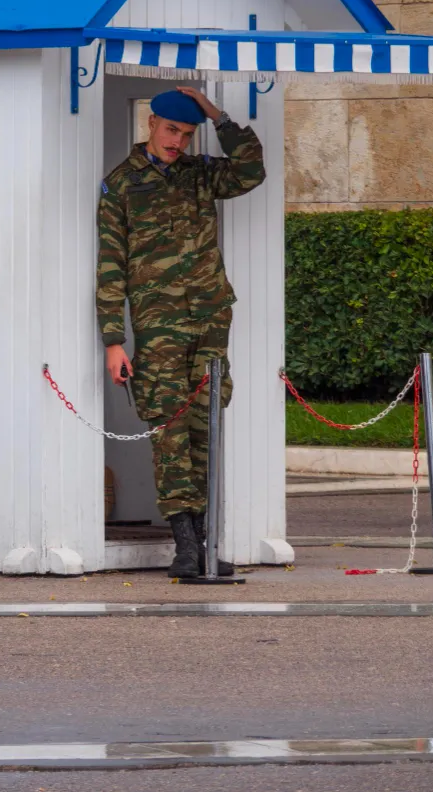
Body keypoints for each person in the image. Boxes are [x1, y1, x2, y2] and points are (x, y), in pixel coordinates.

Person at [96, 86, 265, 578]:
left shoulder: (200, 175)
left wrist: (215, 113)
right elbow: (111, 267)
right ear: (151, 123)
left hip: (210, 321)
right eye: (172, 130)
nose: (178, 142)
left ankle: (208, 544)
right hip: (160, 325)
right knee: (169, 431)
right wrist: (113, 340)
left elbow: (251, 168)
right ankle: (185, 546)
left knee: (205, 428)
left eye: (187, 134)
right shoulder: (121, 185)